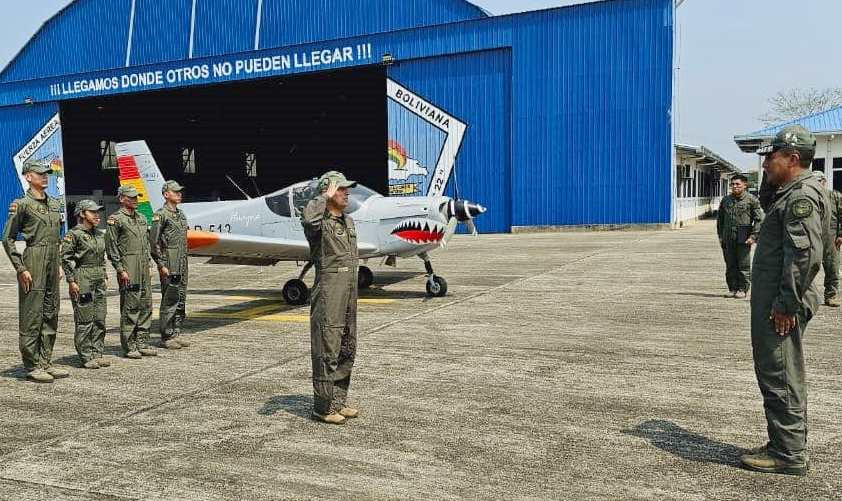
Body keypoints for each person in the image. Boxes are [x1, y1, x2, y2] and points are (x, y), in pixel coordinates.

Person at [740, 125, 828, 476]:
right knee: (779, 370)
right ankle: (785, 441)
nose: (765, 165)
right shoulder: (788, 192)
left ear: (793, 158)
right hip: (779, 298)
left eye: (771, 158)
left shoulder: (801, 198)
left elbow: (804, 257)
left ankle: (788, 454)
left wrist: (784, 305)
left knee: (781, 373)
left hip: (782, 302)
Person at [1, 160, 69, 383]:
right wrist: (20, 268)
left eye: (46, 174)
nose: (45, 177)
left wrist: (58, 262)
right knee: (32, 314)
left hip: (52, 258)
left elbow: (56, 237)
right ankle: (31, 364)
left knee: (51, 311)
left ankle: (45, 360)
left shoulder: (55, 203)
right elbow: (7, 238)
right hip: (34, 258)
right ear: (28, 177)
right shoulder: (21, 205)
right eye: (40, 174)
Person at [301, 171, 360, 425]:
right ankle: (322, 408)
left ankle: (338, 401)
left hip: (348, 291)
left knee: (347, 345)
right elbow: (307, 219)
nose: (346, 193)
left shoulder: (348, 222)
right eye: (341, 189)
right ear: (328, 192)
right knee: (328, 347)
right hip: (329, 292)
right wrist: (323, 196)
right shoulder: (319, 222)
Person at [105, 185, 157, 359]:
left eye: (137, 197)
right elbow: (111, 248)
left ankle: (142, 342)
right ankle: (129, 345)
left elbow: (147, 244)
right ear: (122, 199)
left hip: (143, 266)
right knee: (130, 305)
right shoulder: (116, 220)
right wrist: (120, 269)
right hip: (129, 266)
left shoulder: (142, 218)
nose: (136, 200)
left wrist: (149, 263)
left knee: (146, 304)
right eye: (131, 197)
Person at [61, 199, 110, 369]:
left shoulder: (99, 234)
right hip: (83, 276)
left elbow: (102, 257)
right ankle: (86, 355)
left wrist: (103, 274)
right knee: (85, 319)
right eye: (93, 212)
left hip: (97, 277)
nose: (97, 215)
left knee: (99, 318)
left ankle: (97, 352)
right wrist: (71, 281)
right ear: (82, 214)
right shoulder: (73, 235)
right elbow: (66, 259)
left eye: (98, 212)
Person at [149, 180, 191, 349]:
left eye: (180, 192)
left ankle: (176, 331)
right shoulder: (161, 215)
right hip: (170, 260)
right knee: (170, 298)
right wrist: (161, 264)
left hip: (182, 260)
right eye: (175, 192)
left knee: (181, 297)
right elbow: (154, 241)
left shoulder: (181, 215)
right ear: (166, 194)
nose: (179, 194)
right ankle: (166, 335)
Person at [716, 174, 764, 298]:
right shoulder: (726, 200)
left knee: (743, 265)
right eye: (732, 184)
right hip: (728, 236)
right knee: (730, 265)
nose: (735, 186)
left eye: (737, 184)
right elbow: (720, 219)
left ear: (744, 185)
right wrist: (721, 236)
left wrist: (753, 236)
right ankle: (733, 288)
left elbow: (759, 220)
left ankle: (743, 289)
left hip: (744, 235)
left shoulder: (751, 200)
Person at [811, 170, 842, 307]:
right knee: (807, 266)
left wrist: (840, 234)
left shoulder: (835, 196)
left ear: (824, 182)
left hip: (831, 235)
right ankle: (805, 296)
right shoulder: (807, 197)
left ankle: (831, 295)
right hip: (812, 234)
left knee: (832, 266)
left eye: (818, 181)